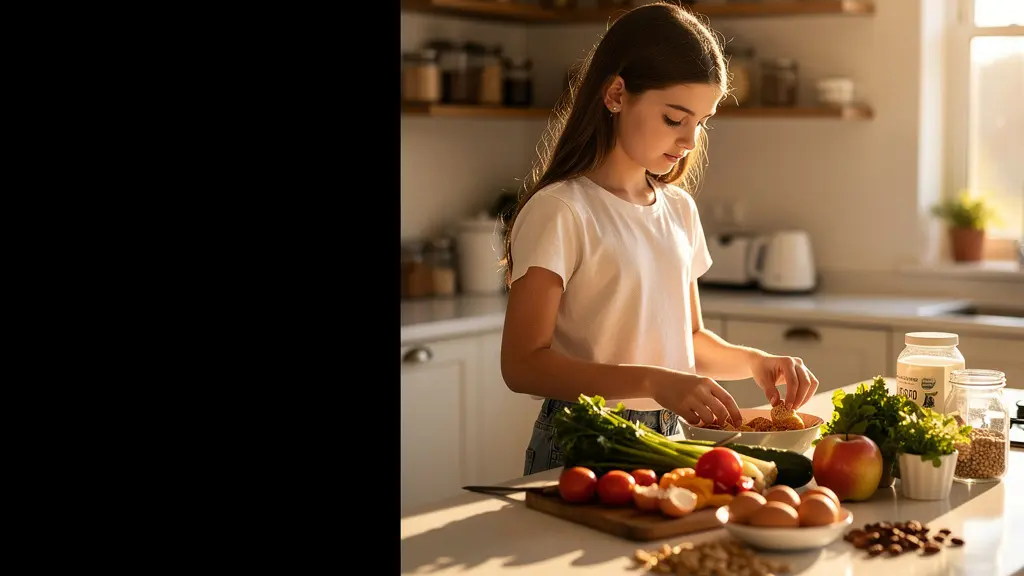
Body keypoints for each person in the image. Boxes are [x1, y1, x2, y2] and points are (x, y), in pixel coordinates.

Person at [498, 2, 821, 476]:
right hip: (583, 443)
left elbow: (687, 340)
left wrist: (754, 361)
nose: (690, 140)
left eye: (701, 121)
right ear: (615, 95)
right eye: (675, 118)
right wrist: (654, 381)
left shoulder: (679, 210)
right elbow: (522, 365)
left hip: (670, 441)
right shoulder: (561, 210)